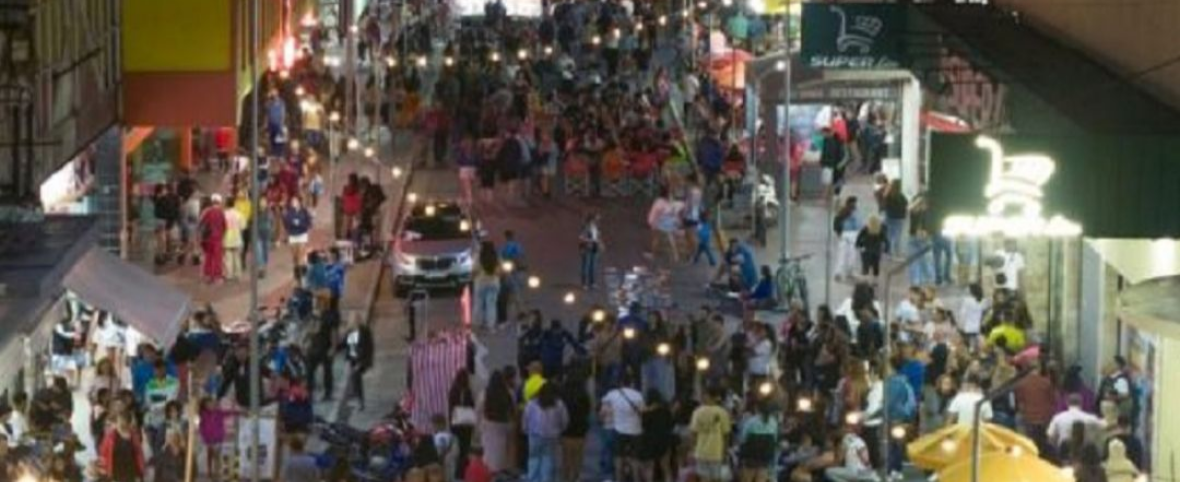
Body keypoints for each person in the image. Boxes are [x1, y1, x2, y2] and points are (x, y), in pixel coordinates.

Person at [601, 375, 645, 482]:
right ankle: (636, 479)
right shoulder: (638, 395)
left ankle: (619, 479)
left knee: (618, 458)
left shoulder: (613, 394)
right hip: (635, 430)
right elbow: (642, 411)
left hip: (619, 429)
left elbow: (603, 406)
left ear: (620, 383)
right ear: (632, 383)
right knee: (635, 458)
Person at [524, 383, 569, 482]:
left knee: (533, 459)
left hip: (534, 435)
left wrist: (526, 430)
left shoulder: (532, 403)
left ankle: (533, 479)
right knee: (548, 459)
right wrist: (560, 430)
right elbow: (565, 420)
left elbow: (526, 419)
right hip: (552, 436)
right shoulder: (559, 404)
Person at [690, 385, 732, 482]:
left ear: (707, 396)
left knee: (704, 479)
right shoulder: (723, 413)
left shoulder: (697, 412)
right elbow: (726, 435)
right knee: (717, 479)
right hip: (717, 452)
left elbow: (693, 434)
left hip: (701, 452)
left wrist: (693, 449)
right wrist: (725, 452)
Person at [1014, 363, 1058, 455]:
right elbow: (1053, 400)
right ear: (1038, 370)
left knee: (1018, 419)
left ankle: (1025, 449)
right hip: (1045, 419)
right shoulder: (1046, 382)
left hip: (1029, 419)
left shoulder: (1021, 383)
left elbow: (1020, 404)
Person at [480, 370, 516, 472]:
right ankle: (503, 468)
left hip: (488, 425)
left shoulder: (484, 394)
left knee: (488, 451)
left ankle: (490, 470)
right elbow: (512, 410)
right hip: (504, 425)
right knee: (502, 451)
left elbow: (480, 410)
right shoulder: (508, 393)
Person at [737, 400, 779, 482]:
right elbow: (775, 439)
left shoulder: (751, 421)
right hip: (765, 457)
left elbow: (742, 438)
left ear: (757, 408)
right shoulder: (773, 422)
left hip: (750, 456)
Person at [340, 317, 374, 411]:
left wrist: (362, 362)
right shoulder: (350, 332)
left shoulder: (364, 332)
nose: (352, 323)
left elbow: (368, 347)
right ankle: (357, 399)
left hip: (361, 360)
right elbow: (343, 344)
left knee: (355, 376)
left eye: (355, 320)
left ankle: (359, 401)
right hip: (353, 359)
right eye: (352, 321)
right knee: (354, 378)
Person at [99, 412, 145, 482]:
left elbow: (139, 455)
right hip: (116, 474)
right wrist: (104, 471)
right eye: (119, 422)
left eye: (123, 423)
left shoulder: (133, 436)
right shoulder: (110, 437)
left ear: (128, 424)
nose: (120, 425)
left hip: (131, 473)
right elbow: (103, 454)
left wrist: (140, 473)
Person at [449, 369, 478, 479]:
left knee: (459, 449)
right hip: (467, 426)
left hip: (457, 424)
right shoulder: (468, 391)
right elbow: (472, 406)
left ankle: (458, 473)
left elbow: (450, 408)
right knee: (465, 449)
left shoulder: (453, 390)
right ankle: (464, 472)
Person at [647, 186, 683, 263]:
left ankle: (653, 254)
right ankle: (676, 255)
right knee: (670, 238)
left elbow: (655, 213)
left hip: (660, 222)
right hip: (669, 222)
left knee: (656, 238)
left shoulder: (659, 202)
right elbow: (675, 211)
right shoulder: (671, 201)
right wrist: (677, 222)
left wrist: (653, 223)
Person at [199, 194, 228, 283]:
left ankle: (208, 275)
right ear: (219, 202)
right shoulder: (221, 212)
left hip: (208, 237)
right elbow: (225, 226)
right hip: (218, 237)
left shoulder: (208, 212)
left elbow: (201, 223)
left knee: (209, 256)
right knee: (217, 257)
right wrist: (223, 235)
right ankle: (216, 276)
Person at [833, 196, 862, 281]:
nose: (856, 204)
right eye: (855, 202)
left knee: (847, 255)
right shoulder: (846, 212)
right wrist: (839, 233)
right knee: (847, 254)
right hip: (849, 234)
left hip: (850, 234)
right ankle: (843, 272)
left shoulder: (849, 212)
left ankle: (843, 272)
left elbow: (859, 223)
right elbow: (836, 223)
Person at [474, 241, 502, 330]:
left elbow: (474, 270)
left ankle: (478, 323)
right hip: (494, 283)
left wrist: (472, 277)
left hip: (481, 283)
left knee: (479, 304)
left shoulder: (478, 256)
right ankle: (490, 325)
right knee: (491, 305)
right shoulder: (496, 257)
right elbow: (500, 271)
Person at [284, 196, 313, 279]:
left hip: (302, 235)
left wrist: (301, 224)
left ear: (299, 202)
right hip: (292, 236)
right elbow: (286, 223)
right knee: (295, 256)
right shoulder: (289, 212)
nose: (293, 203)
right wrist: (291, 225)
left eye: (295, 201)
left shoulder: (304, 211)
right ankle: (296, 268)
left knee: (300, 253)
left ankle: (300, 273)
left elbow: (309, 223)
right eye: (292, 201)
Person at [881, 179, 907, 257]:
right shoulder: (901, 196)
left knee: (888, 236)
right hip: (900, 219)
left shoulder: (888, 195)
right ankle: (896, 252)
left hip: (890, 217)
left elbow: (883, 206)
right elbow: (906, 204)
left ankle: (888, 252)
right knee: (897, 237)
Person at [579, 213, 603, 290]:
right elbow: (581, 238)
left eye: (598, 219)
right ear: (591, 220)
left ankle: (592, 283)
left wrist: (600, 244)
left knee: (593, 266)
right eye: (596, 219)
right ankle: (584, 284)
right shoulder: (586, 227)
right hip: (587, 248)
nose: (598, 221)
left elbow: (598, 237)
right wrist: (591, 240)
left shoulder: (596, 228)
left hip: (594, 248)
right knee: (586, 266)